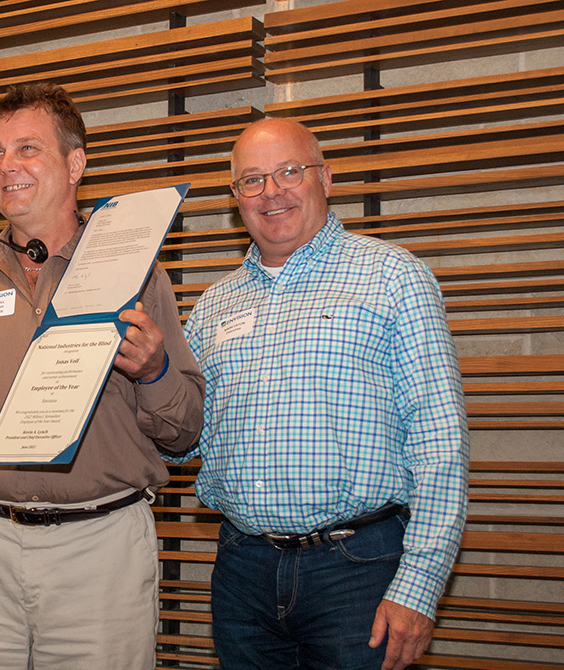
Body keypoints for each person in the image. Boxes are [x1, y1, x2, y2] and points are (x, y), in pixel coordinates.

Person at [0, 82, 205, 669]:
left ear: (75, 164)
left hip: (99, 553)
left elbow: (185, 432)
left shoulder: (137, 274)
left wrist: (154, 372)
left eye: (27, 149)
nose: (6, 166)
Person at [179, 117, 469, 670]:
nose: (272, 192)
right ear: (235, 196)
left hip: (357, 569)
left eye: (290, 171)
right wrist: (150, 377)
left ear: (326, 178)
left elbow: (440, 442)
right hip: (241, 570)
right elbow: (185, 443)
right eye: (253, 179)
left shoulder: (392, 277)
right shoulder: (213, 305)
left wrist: (420, 584)